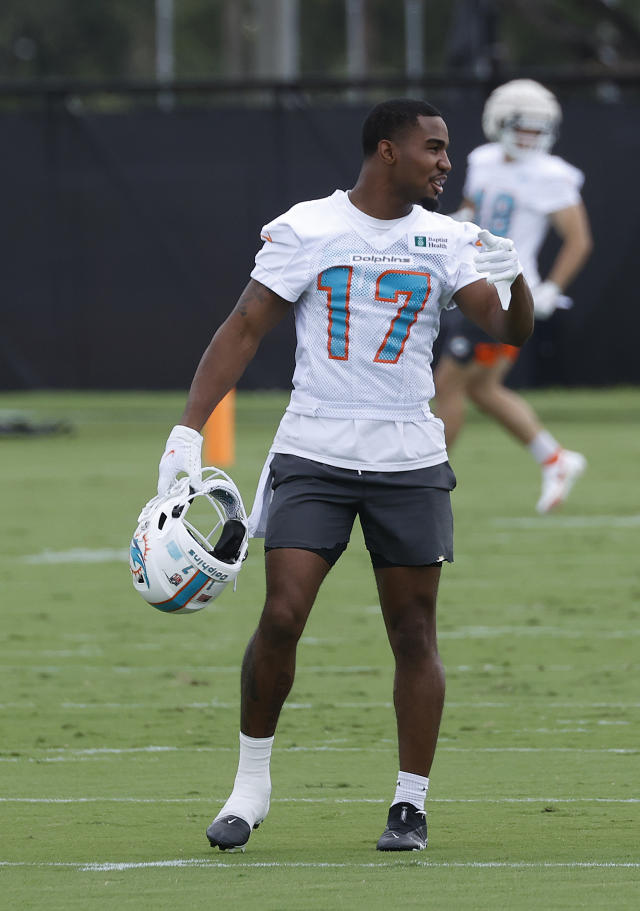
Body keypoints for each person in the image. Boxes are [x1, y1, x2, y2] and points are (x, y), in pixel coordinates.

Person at [152, 99, 534, 852]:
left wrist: (516, 280)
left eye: (448, 149)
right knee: (284, 612)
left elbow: (508, 329)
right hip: (314, 449)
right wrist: (187, 429)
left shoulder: (448, 237)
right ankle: (250, 785)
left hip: (409, 456)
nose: (446, 162)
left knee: (413, 630)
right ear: (388, 151)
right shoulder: (310, 226)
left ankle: (409, 803)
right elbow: (245, 327)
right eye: (433, 148)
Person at [435, 78, 593, 514]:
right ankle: (555, 459)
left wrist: (551, 288)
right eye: (521, 127)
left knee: (447, 385)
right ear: (498, 123)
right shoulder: (483, 160)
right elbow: (472, 209)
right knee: (483, 388)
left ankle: (424, 479)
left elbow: (579, 240)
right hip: (470, 286)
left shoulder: (551, 176)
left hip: (503, 296)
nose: (529, 137)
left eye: (537, 129)